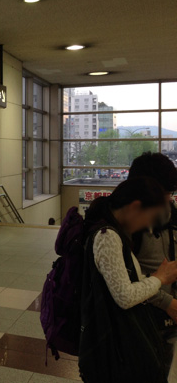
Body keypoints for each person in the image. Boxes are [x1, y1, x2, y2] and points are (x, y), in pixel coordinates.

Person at [79, 177, 177, 383]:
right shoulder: (108, 236)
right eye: (149, 217)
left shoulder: (113, 232)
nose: (147, 224)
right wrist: (160, 278)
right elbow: (124, 296)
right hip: (111, 340)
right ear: (135, 207)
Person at [128, 152, 177, 378]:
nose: (168, 200)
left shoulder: (171, 215)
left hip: (169, 323)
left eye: (170, 194)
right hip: (139, 323)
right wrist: (167, 303)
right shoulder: (126, 225)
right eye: (163, 194)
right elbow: (125, 281)